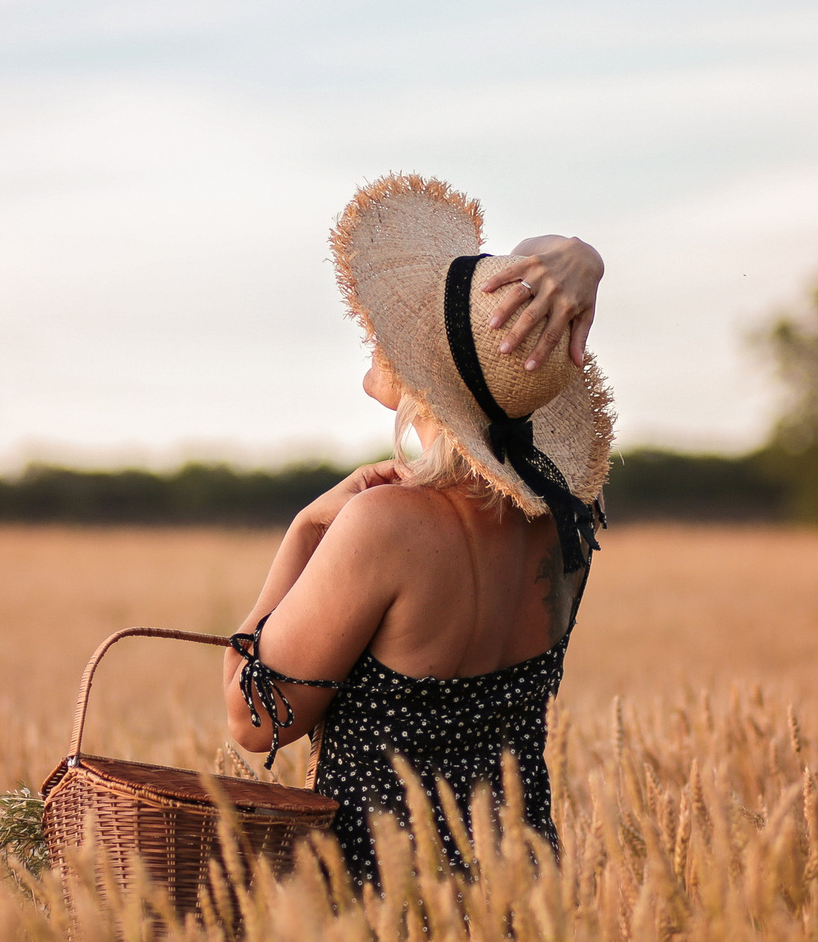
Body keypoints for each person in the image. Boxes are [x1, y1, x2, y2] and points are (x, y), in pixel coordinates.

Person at [222, 174, 614, 887]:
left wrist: (305, 527)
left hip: (384, 905)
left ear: (429, 373)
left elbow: (256, 722)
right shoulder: (565, 522)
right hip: (524, 900)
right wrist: (582, 253)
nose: (380, 329)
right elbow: (532, 278)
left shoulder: (384, 526)